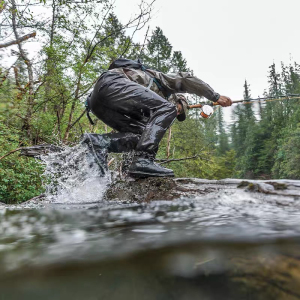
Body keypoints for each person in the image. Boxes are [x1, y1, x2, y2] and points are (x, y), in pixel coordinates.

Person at [85, 58, 232, 178]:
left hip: (97, 103)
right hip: (113, 83)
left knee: (142, 134)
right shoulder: (163, 80)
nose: (177, 112)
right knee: (166, 109)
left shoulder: (148, 104)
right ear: (175, 98)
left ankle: (98, 143)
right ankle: (143, 160)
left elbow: (145, 136)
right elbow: (186, 79)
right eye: (180, 108)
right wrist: (215, 96)